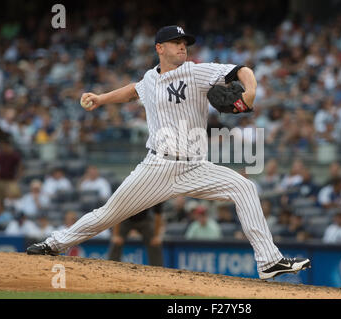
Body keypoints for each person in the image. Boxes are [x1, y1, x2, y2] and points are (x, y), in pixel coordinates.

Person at [27, 25, 310, 279]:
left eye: (184, 42)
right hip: (157, 168)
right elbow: (133, 91)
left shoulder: (196, 71)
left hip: (195, 167)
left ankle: (269, 262)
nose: (182, 46)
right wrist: (101, 98)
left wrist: (250, 92)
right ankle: (54, 243)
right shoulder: (150, 79)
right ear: (159, 48)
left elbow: (241, 70)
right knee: (107, 215)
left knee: (244, 187)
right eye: (176, 42)